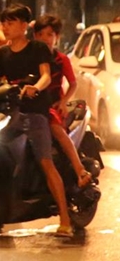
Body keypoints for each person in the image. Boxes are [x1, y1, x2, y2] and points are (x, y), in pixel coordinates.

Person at [0, 4, 74, 237]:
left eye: (10, 22)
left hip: (35, 112)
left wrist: (35, 88)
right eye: (3, 22)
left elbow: (46, 76)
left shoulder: (37, 48)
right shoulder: (3, 53)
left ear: (24, 25)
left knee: (45, 161)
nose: (5, 27)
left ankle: (65, 219)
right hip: (11, 114)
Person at [32, 14, 92, 188]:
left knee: (56, 130)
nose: (45, 39)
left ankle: (80, 170)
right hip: (30, 106)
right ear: (34, 36)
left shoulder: (61, 59)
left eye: (49, 34)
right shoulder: (29, 57)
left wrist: (64, 101)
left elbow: (73, 84)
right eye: (40, 34)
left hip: (52, 106)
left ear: (57, 37)